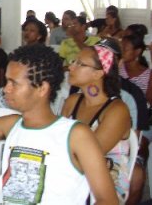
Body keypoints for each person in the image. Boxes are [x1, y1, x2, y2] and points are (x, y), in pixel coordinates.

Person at [0, 44, 119, 204]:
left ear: (42, 89)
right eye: (7, 81)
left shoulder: (76, 135)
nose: (6, 89)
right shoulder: (12, 124)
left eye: (14, 83)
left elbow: (108, 200)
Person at [61, 44, 132, 199]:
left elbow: (90, 156)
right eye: (73, 61)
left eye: (80, 64)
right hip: (70, 173)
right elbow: (58, 140)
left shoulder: (117, 111)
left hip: (106, 184)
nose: (71, 67)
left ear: (98, 73)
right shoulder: (72, 102)